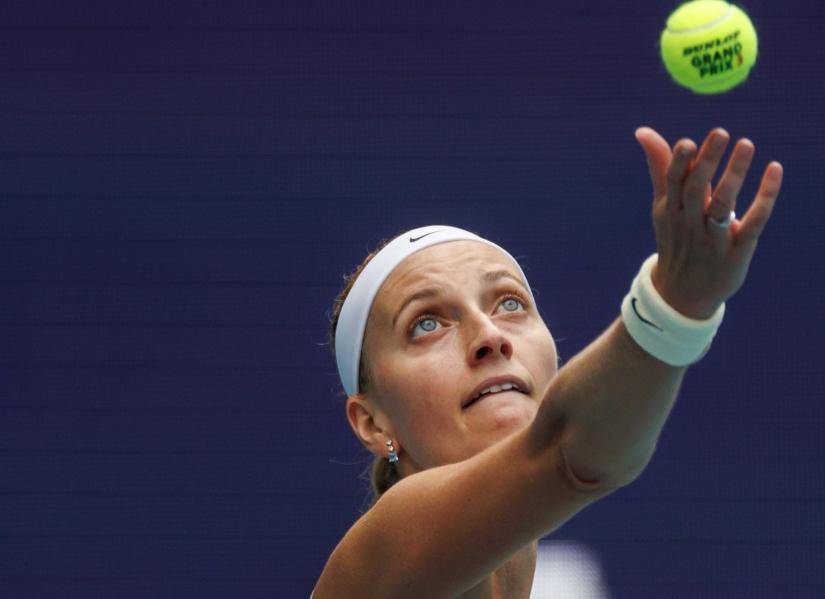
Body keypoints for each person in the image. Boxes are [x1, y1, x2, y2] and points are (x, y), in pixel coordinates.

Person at [311, 126, 784, 598]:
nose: (490, 336)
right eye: (427, 324)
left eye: (510, 304)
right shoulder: (389, 544)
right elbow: (567, 449)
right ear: (372, 423)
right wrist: (675, 306)